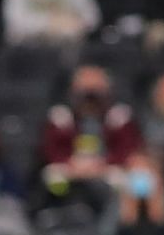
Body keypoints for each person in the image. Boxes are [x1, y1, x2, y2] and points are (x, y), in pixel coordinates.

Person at [38, 65, 142, 207]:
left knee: (127, 180)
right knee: (53, 177)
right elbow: (50, 149)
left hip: (107, 167)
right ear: (74, 90)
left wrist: (103, 164)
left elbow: (127, 148)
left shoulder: (118, 115)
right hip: (70, 166)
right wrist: (70, 163)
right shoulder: (61, 115)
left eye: (95, 90)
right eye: (85, 90)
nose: (90, 96)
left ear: (106, 90)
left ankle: (114, 213)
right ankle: (58, 211)